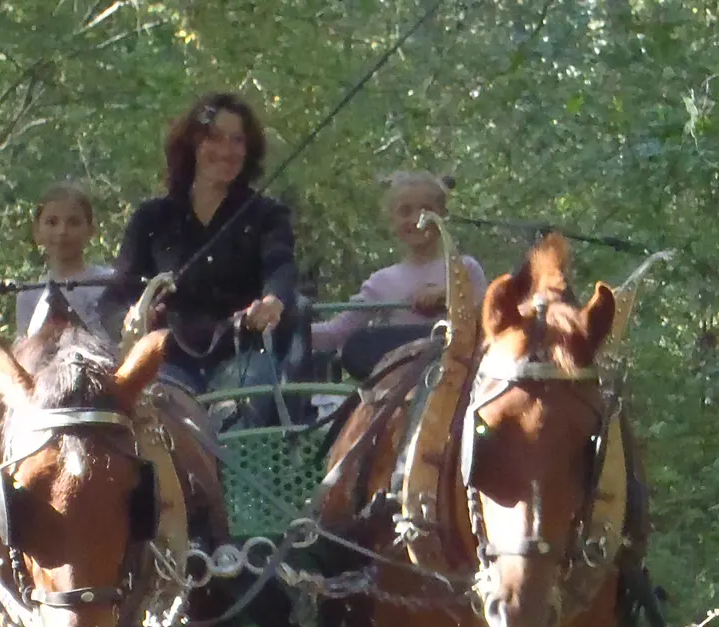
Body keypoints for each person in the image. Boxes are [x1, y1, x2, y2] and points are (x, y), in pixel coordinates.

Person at [98, 92, 303, 418]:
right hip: (169, 359)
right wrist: (129, 318)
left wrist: (273, 300)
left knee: (234, 413)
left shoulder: (267, 215)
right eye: (215, 138)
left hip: (243, 354)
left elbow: (280, 266)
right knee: (162, 413)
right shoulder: (152, 218)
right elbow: (114, 296)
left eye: (237, 140)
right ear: (192, 144)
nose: (226, 151)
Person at [310, 171, 488, 380]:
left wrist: (448, 294)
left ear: (442, 214)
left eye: (426, 210)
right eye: (405, 212)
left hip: (458, 380)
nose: (416, 220)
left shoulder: (465, 269)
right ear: (392, 220)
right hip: (401, 388)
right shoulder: (382, 282)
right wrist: (283, 323)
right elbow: (335, 333)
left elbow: (487, 319)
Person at [13, 182, 110, 338]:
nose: (62, 231)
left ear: (91, 230)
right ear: (37, 231)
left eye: (74, 222)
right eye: (52, 222)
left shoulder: (109, 284)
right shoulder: (29, 296)